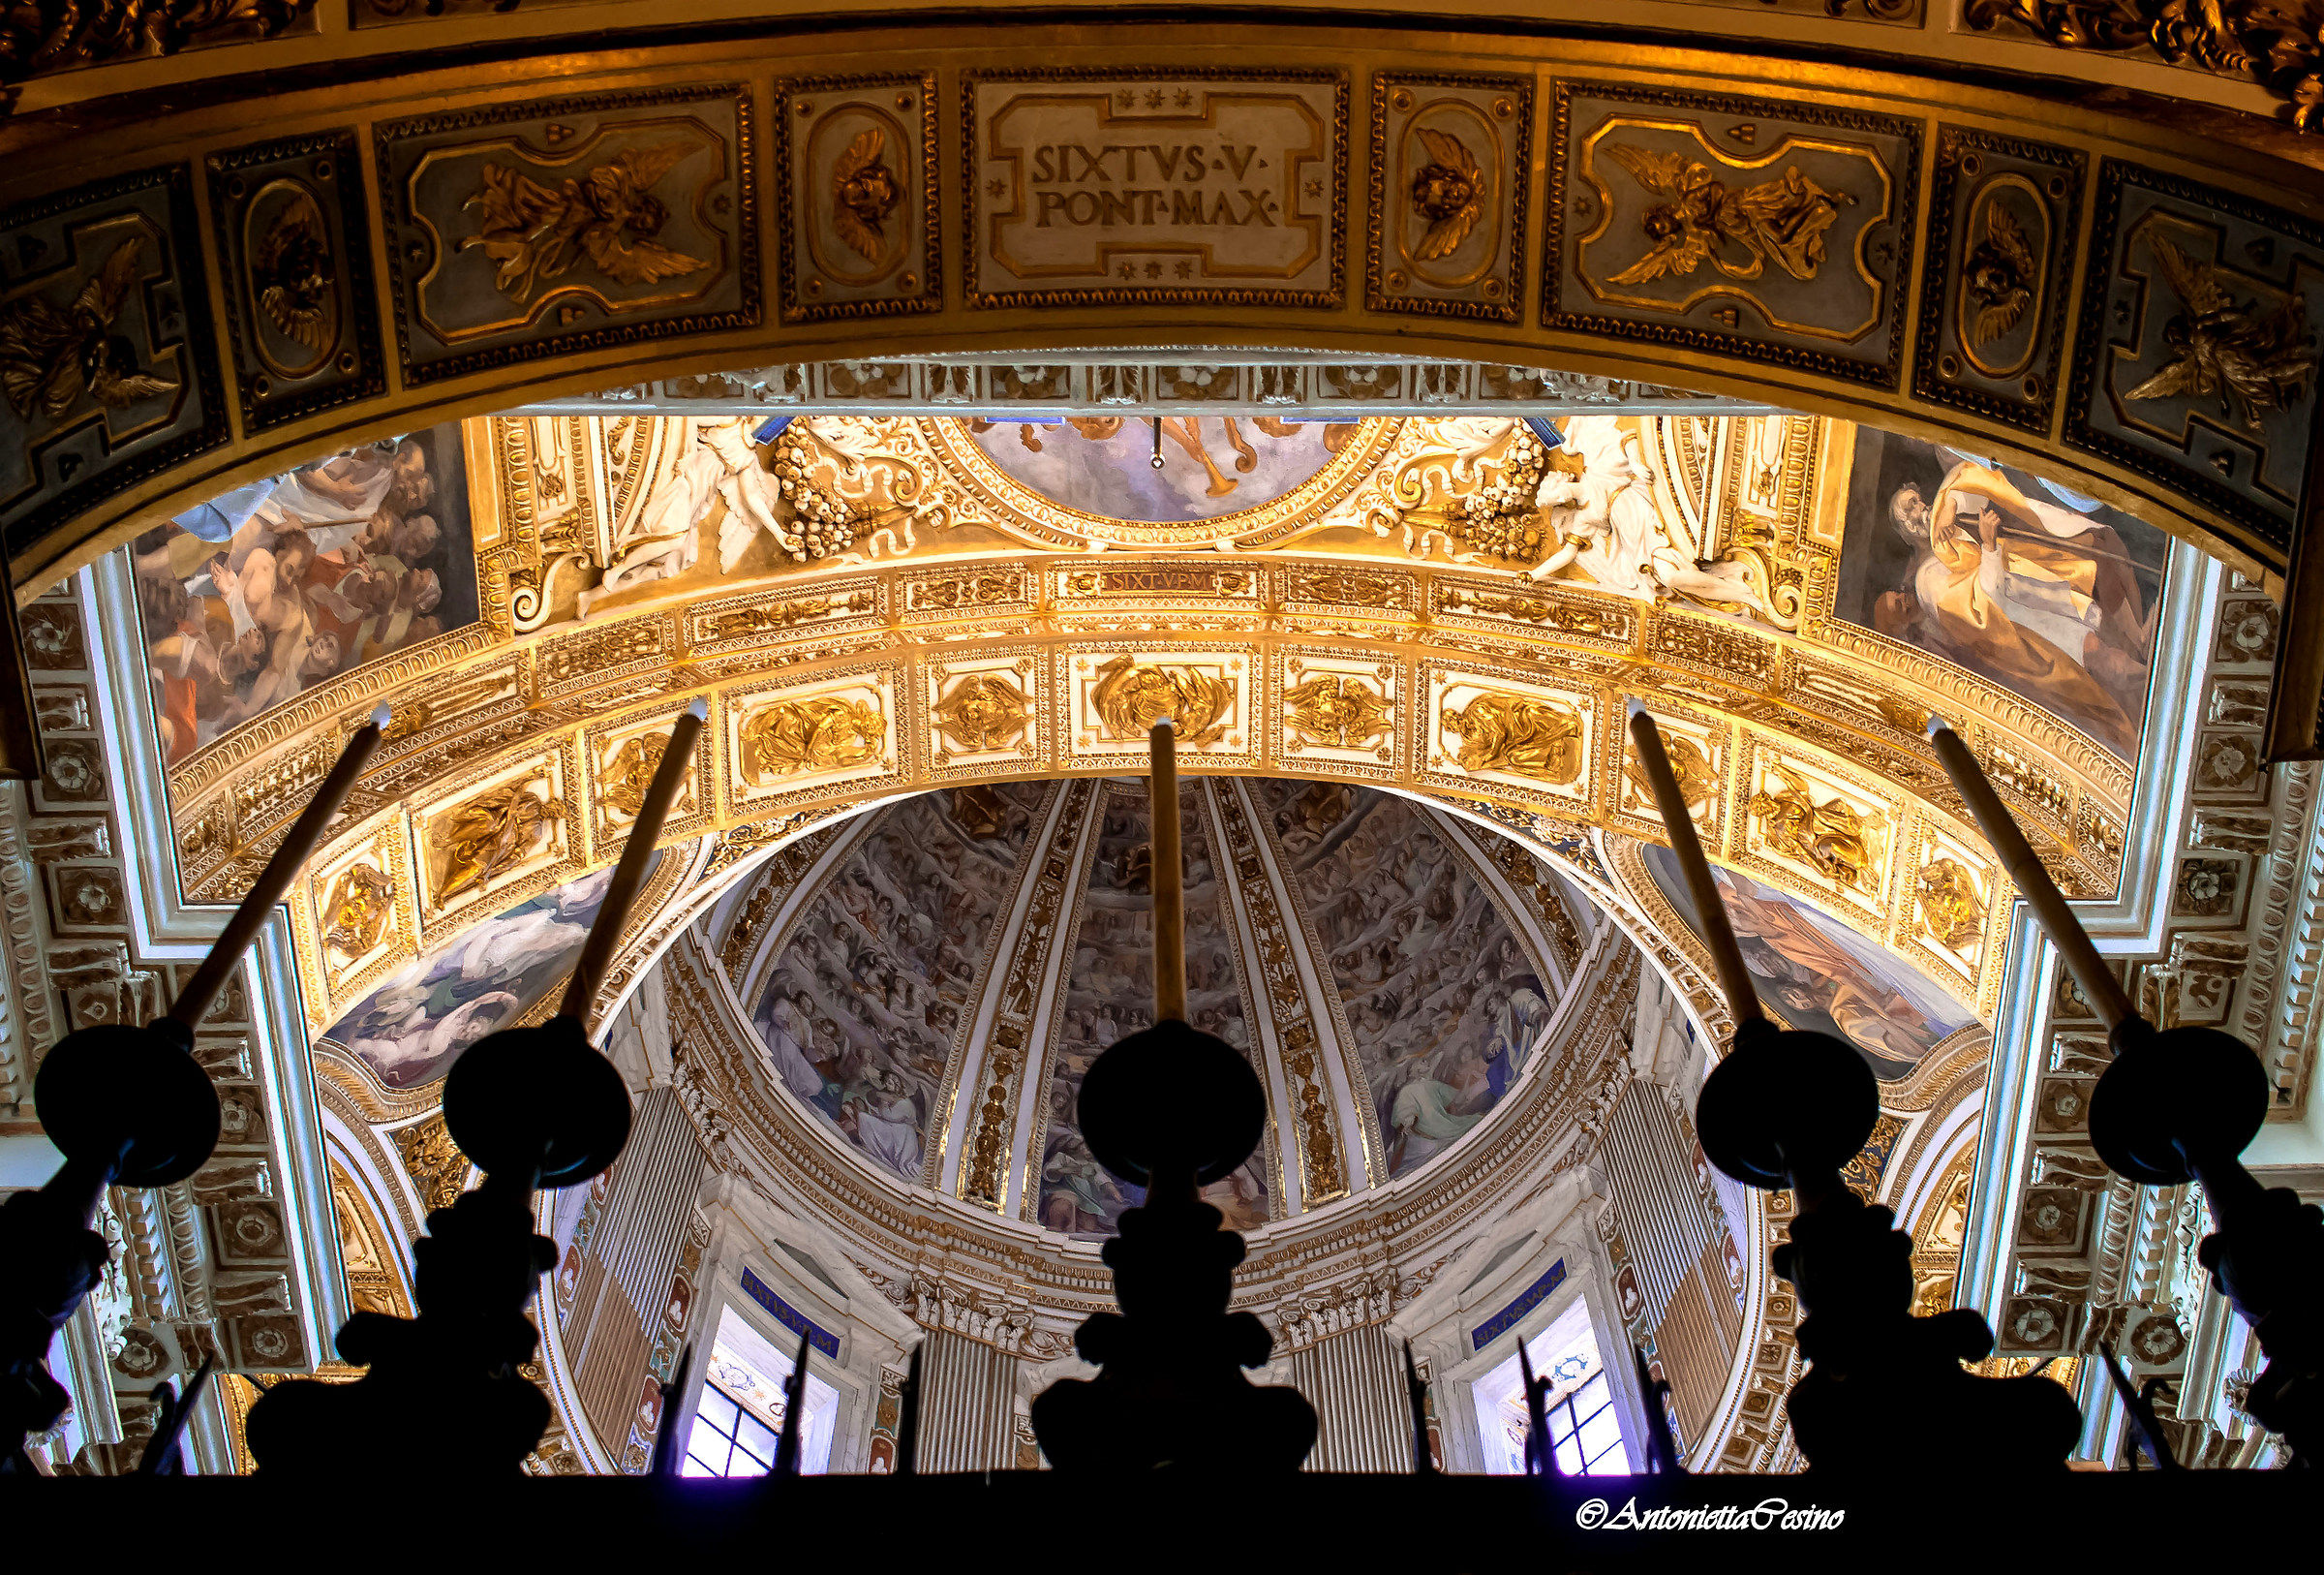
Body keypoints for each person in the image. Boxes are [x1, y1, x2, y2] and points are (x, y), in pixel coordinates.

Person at [1876, 462, 2153, 755]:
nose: (1921, 510)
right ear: (1907, 532)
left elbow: (1969, 476)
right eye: (1910, 511)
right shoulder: (1927, 578)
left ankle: (2146, 657)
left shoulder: (1946, 534)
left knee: (2104, 622)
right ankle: (2156, 683)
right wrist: (1989, 545)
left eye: (1917, 501)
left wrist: (1952, 503)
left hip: (2042, 593)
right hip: (2029, 630)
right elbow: (1983, 608)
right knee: (2103, 658)